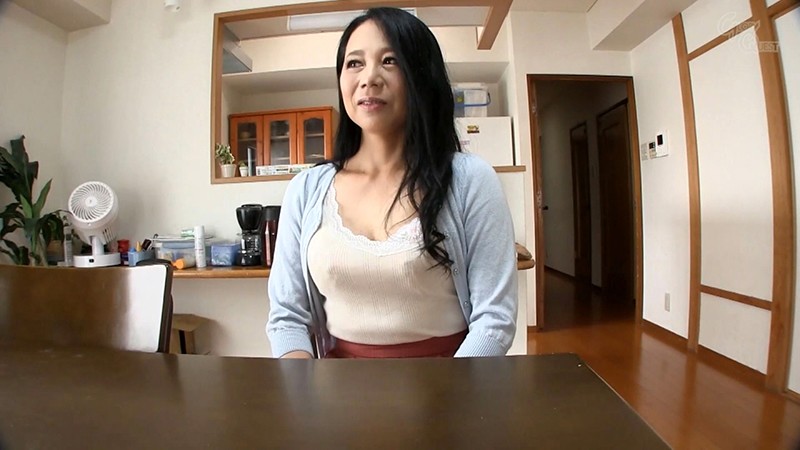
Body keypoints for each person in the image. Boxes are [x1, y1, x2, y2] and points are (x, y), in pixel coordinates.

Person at [266, 7, 517, 359]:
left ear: (421, 76)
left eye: (390, 60)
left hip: (451, 382)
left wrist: (455, 390)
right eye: (354, 63)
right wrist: (303, 386)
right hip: (333, 386)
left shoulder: (470, 179)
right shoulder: (306, 189)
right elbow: (287, 318)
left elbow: (495, 320)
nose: (369, 77)